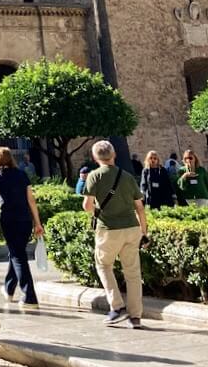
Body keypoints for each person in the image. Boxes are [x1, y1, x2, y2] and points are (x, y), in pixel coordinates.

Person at [83, 140, 147, 328]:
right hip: (132, 227)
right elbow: (140, 207)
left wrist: (97, 211)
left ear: (95, 158)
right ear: (114, 155)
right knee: (133, 273)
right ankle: (135, 316)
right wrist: (144, 231)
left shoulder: (94, 176)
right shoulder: (127, 176)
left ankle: (117, 306)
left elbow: (87, 206)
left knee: (103, 265)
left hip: (108, 229)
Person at [0, 147, 44, 307]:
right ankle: (9, 288)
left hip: (9, 220)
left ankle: (29, 296)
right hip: (26, 220)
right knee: (16, 253)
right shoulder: (22, 174)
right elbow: (31, 200)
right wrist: (38, 222)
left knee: (18, 256)